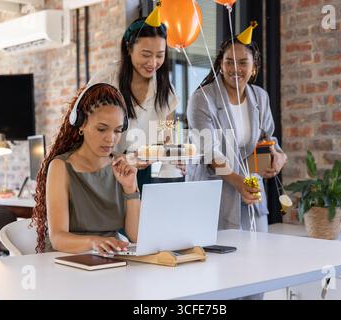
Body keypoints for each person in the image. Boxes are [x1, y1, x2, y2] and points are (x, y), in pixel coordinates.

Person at [186, 25, 287, 233]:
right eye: (229, 62)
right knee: (218, 260)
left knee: (257, 256)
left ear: (254, 66)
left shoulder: (260, 97)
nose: (235, 69)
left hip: (251, 191)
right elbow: (208, 152)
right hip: (213, 192)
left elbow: (268, 139)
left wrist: (278, 156)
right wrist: (237, 182)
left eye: (243, 62)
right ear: (220, 66)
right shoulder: (202, 99)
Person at [31, 83, 140, 255]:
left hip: (111, 256)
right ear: (81, 125)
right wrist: (95, 242)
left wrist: (130, 188)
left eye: (118, 130)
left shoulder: (120, 165)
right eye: (102, 129)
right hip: (69, 257)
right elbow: (58, 238)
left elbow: (135, 236)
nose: (111, 139)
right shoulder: (61, 167)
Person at [89, 15, 180, 191]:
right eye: (146, 54)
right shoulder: (106, 79)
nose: (153, 63)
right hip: (103, 168)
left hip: (142, 173)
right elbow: (86, 128)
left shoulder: (166, 92)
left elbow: (166, 140)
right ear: (128, 48)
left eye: (159, 55)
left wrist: (139, 158)